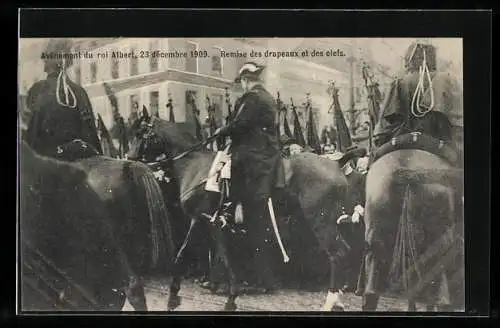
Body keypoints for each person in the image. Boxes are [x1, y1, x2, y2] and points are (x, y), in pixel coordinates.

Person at [215, 62, 280, 292]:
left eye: (242, 82)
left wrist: (220, 131)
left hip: (252, 160)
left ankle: (229, 208)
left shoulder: (251, 98)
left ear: (244, 79)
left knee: (240, 214)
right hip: (265, 154)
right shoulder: (267, 97)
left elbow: (240, 124)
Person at [25, 39, 102, 159]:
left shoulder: (38, 90)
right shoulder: (79, 91)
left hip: (49, 161)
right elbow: (91, 134)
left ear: (47, 64)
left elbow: (32, 135)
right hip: (83, 157)